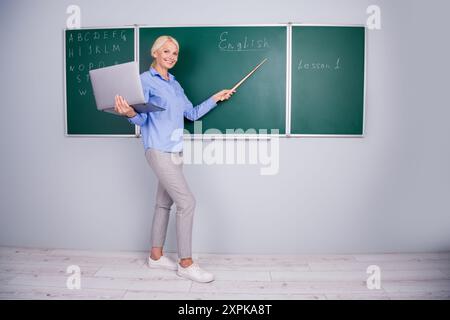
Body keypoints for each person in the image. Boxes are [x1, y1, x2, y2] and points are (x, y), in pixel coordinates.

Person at [114, 35, 235, 283]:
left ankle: (155, 257)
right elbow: (141, 118)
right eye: (166, 52)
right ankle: (186, 263)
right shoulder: (144, 81)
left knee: (163, 204)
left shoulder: (175, 84)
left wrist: (215, 98)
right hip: (157, 149)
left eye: (175, 53)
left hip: (176, 150)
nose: (171, 57)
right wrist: (128, 113)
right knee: (187, 202)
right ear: (155, 52)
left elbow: (190, 113)